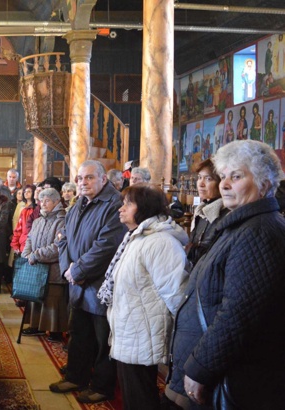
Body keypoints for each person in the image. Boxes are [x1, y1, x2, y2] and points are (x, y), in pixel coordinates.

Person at [167, 140, 285, 409]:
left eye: (237, 176)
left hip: (225, 375)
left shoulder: (258, 232)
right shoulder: (240, 225)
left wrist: (200, 368)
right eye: (223, 176)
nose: (224, 185)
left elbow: (238, 315)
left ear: (265, 184)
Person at [98, 184, 189, 409]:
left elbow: (177, 295)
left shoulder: (159, 242)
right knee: (133, 395)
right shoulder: (137, 237)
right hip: (131, 330)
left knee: (140, 398)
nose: (121, 208)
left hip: (143, 334)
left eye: (128, 203)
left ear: (145, 208)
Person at [49, 160, 126, 404]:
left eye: (89, 178)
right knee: (79, 335)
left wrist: (78, 270)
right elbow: (63, 239)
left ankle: (102, 386)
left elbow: (107, 245)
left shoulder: (114, 204)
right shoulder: (78, 204)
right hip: (77, 281)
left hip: (99, 284)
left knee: (103, 340)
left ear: (104, 179)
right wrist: (67, 270)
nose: (83, 183)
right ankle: (76, 376)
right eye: (80, 178)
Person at [21, 188, 67, 338]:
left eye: (47, 200)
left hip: (53, 268)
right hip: (37, 266)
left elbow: (57, 246)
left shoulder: (62, 220)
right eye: (41, 201)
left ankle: (55, 330)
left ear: (56, 202)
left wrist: (36, 255)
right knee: (37, 297)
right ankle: (36, 325)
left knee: (53, 299)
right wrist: (26, 254)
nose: (43, 204)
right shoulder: (38, 220)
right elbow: (30, 238)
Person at [186, 159, 228, 267]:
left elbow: (213, 256)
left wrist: (189, 250)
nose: (201, 183)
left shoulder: (225, 213)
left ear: (221, 183)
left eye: (208, 179)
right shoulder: (201, 210)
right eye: (199, 177)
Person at [10, 185, 35, 259]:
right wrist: (15, 244)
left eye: (29, 191)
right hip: (22, 240)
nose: (26, 193)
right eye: (25, 192)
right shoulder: (23, 208)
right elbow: (18, 227)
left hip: (31, 242)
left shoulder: (35, 209)